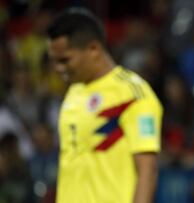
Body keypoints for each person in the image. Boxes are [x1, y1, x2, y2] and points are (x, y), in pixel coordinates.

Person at [47, 8, 163, 203]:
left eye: (65, 60)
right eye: (55, 61)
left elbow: (147, 170)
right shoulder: (74, 92)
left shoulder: (133, 94)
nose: (58, 69)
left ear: (93, 49)